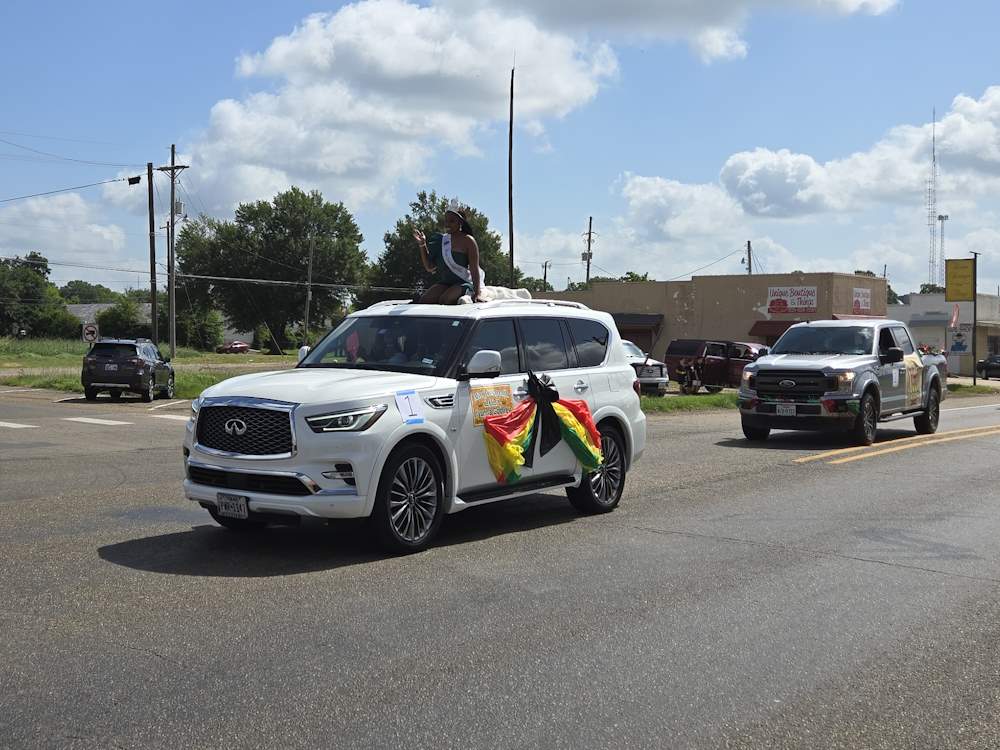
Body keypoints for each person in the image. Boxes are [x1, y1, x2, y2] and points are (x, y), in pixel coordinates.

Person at [412, 203, 485, 304]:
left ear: (460, 222)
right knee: (425, 300)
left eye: (451, 221)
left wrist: (477, 293)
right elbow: (429, 267)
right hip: (446, 283)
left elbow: (474, 269)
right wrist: (422, 245)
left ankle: (468, 292)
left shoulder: (468, 241)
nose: (447, 224)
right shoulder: (442, 240)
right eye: (446, 221)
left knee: (445, 299)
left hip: (463, 282)